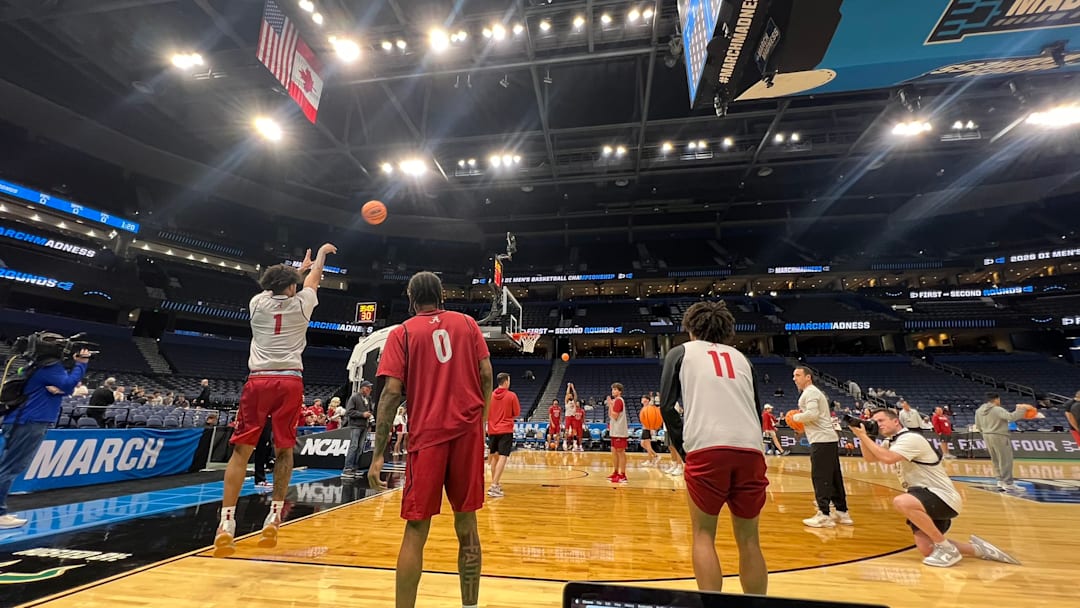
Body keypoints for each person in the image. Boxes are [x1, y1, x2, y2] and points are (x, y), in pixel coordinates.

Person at [367, 271, 493, 608]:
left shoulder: (403, 333)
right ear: (442, 296)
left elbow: (391, 394)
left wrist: (379, 454)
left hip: (427, 437)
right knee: (467, 525)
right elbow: (486, 375)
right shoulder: (467, 324)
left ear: (411, 298)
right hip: (466, 433)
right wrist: (480, 423)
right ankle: (469, 606)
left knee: (416, 530)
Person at [213, 243, 336, 557]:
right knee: (284, 451)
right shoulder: (303, 303)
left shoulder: (256, 303)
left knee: (241, 451)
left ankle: (226, 523)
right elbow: (313, 281)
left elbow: (286, 283)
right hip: (290, 380)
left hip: (258, 381)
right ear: (292, 287)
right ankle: (274, 515)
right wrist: (318, 257)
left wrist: (298, 268)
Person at [659, 301, 768, 594]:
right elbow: (756, 410)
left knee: (703, 535)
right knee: (749, 541)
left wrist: (683, 450)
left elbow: (667, 407)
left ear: (691, 327)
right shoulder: (743, 359)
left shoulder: (680, 353)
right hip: (751, 449)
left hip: (707, 448)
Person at [851, 408, 1021, 568]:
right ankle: (978, 549)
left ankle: (945, 547)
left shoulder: (910, 438)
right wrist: (865, 436)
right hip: (923, 499)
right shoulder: (892, 441)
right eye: (874, 421)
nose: (877, 424)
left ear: (896, 421)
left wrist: (864, 437)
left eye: (881, 420)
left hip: (941, 497)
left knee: (901, 502)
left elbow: (888, 458)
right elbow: (870, 459)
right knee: (927, 549)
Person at [0, 338, 91, 528]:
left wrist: (60, 389)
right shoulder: (52, 367)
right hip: (30, 422)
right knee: (10, 467)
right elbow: (68, 385)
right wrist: (81, 364)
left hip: (20, 420)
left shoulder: (37, 365)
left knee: (7, 465)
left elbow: (61, 388)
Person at [792, 367, 853, 528]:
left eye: (797, 375)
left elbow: (812, 414)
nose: (794, 378)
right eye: (793, 376)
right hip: (828, 439)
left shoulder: (810, 393)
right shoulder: (813, 392)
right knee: (833, 477)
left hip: (821, 440)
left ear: (808, 377)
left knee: (820, 477)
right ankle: (842, 512)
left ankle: (824, 514)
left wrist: (794, 417)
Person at [975, 393, 1034, 494]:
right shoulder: (997, 409)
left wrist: (985, 433)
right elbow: (1011, 417)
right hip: (999, 436)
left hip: (986, 435)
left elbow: (978, 425)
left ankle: (1000, 480)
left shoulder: (979, 410)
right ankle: (1008, 483)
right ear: (996, 399)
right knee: (1005, 459)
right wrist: (1021, 409)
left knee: (996, 459)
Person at [487, 373, 520, 498]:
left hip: (492, 430)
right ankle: (494, 486)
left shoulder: (490, 396)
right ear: (506, 382)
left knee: (495, 457)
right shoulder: (511, 395)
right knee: (503, 457)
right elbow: (516, 413)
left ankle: (495, 483)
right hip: (505, 429)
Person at [342, 381, 375, 478]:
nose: (370, 390)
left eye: (370, 388)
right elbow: (349, 412)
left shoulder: (368, 398)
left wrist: (369, 416)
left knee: (360, 448)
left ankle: (354, 468)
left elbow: (369, 410)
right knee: (354, 446)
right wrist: (362, 414)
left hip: (364, 426)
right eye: (368, 388)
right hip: (355, 425)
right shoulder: (354, 397)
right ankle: (347, 468)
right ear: (363, 388)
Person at [606, 383, 628, 483]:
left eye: (615, 389)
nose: (613, 391)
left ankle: (622, 475)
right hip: (615, 430)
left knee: (620, 452)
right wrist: (611, 404)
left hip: (620, 431)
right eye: (612, 389)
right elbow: (611, 415)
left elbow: (614, 416)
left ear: (620, 391)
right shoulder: (615, 401)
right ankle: (615, 472)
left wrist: (610, 404)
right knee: (614, 451)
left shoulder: (619, 400)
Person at [639, 395, 660, 466]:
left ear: (647, 400)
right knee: (642, 444)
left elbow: (652, 419)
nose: (642, 399)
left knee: (648, 446)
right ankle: (656, 456)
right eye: (642, 398)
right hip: (644, 428)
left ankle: (650, 461)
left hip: (648, 429)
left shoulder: (650, 408)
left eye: (643, 398)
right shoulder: (644, 408)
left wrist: (651, 429)